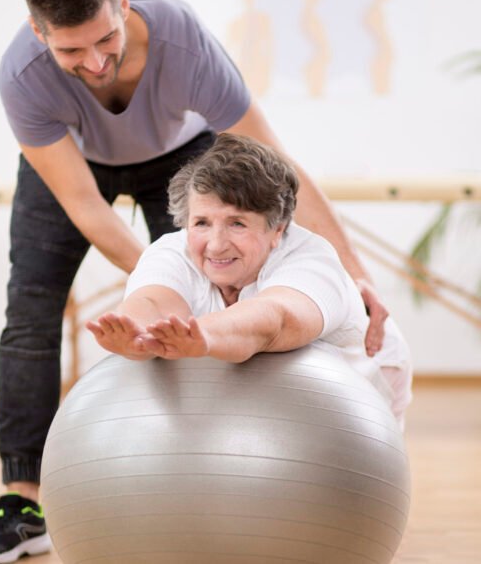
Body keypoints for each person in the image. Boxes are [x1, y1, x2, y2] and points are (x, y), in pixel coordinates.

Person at [0, 0, 391, 562]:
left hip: (178, 154)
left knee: (223, 288)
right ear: (39, 32)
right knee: (29, 313)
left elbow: (276, 163)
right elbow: (87, 207)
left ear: (123, 1)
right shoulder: (22, 75)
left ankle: (220, 466)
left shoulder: (184, 42)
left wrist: (352, 272)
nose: (94, 62)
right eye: (70, 51)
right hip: (71, 164)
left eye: (106, 39)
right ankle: (21, 504)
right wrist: (172, 282)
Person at [87, 133, 413, 421]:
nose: (216, 244)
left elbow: (274, 319)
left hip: (366, 381)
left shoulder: (311, 259)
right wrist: (137, 337)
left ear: (278, 228)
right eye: (201, 222)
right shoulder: (172, 252)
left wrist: (205, 335)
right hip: (262, 393)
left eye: (237, 223)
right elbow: (152, 301)